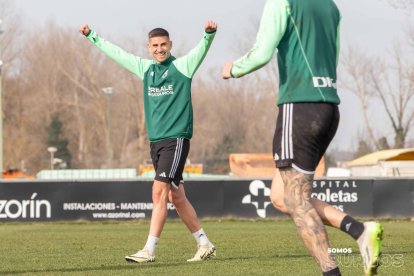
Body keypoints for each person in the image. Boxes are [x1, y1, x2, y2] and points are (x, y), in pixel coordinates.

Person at [222, 1, 383, 275]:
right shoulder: (331, 7)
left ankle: (332, 273)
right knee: (282, 197)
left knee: (296, 200)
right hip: (329, 108)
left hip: (299, 107)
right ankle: (360, 230)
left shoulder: (282, 2)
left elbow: (261, 54)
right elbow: (332, 54)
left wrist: (233, 68)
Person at [80, 21, 218, 263]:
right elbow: (118, 53)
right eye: (155, 45)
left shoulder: (183, 66)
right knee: (177, 197)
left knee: (158, 193)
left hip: (176, 139)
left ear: (170, 45)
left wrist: (208, 35)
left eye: (163, 44)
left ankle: (149, 250)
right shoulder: (145, 69)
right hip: (156, 142)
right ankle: (204, 243)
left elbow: (201, 49)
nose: (159, 49)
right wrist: (93, 36)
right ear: (149, 47)